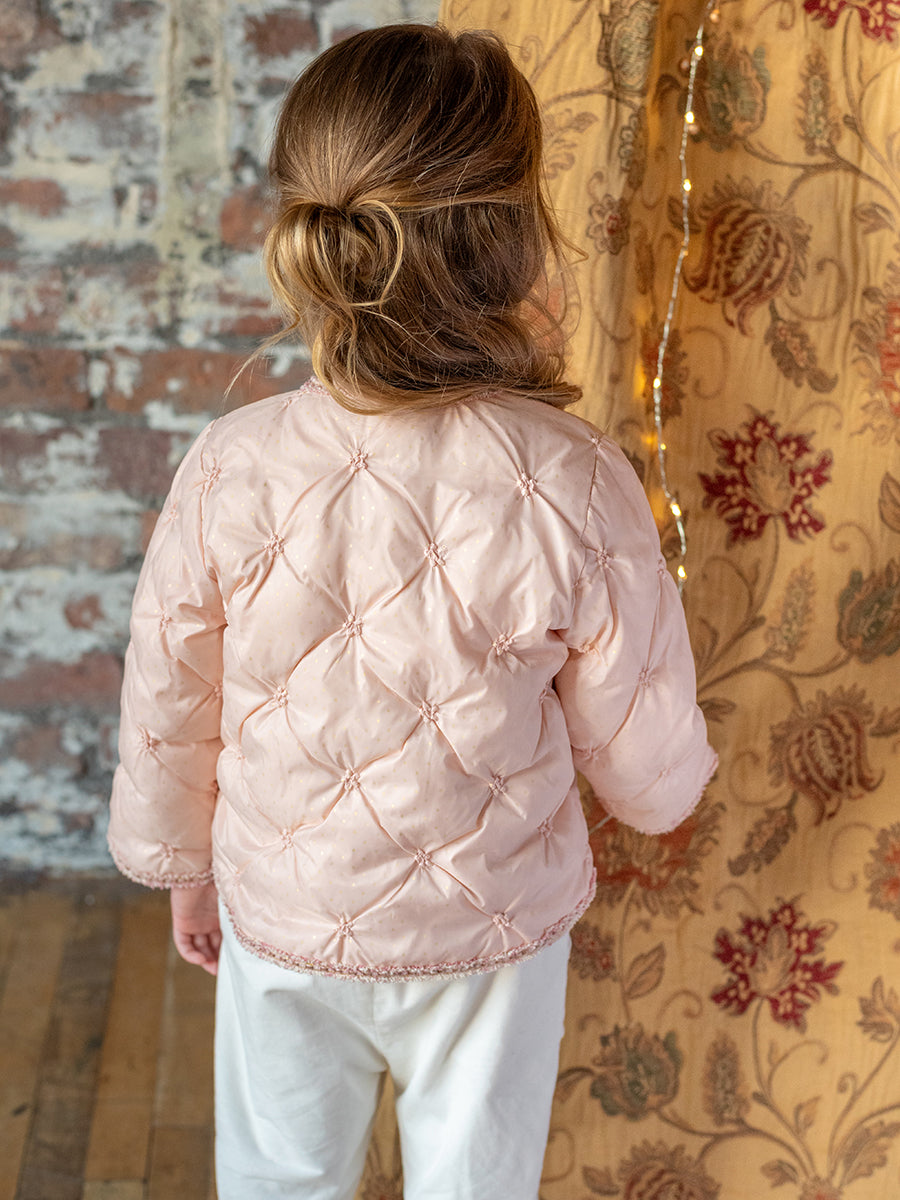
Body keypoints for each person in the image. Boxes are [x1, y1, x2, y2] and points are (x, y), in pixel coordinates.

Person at [108, 23, 717, 1200]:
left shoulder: (231, 463)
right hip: (490, 929)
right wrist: (662, 796)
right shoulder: (573, 477)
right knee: (476, 1183)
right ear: (512, 233)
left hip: (284, 909)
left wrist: (186, 863)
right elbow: (639, 732)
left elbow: (170, 690)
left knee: (279, 1177)